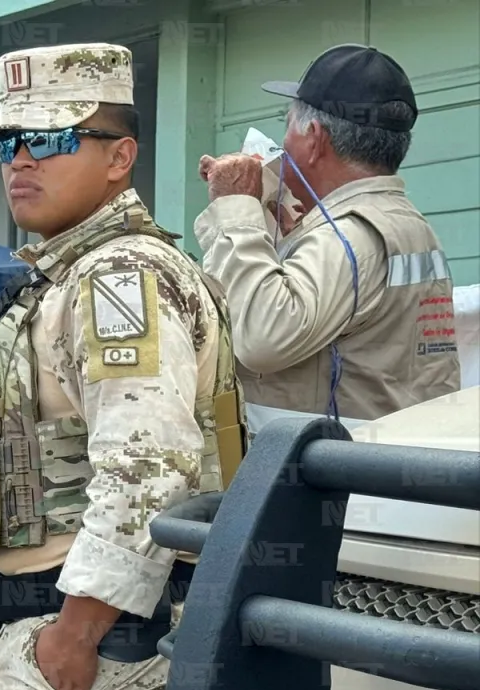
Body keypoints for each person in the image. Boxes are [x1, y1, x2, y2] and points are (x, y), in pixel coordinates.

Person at [0, 43, 245, 690]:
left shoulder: (120, 278)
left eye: (47, 139)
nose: (19, 162)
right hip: (76, 641)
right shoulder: (63, 275)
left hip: (103, 651)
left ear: (121, 157)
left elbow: (149, 471)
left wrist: (74, 634)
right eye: (9, 143)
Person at [196, 44, 460, 433]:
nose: (281, 144)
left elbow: (262, 340)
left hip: (334, 477)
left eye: (287, 125)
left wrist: (237, 212)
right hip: (392, 467)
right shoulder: (404, 223)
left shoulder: (350, 236)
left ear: (315, 139)